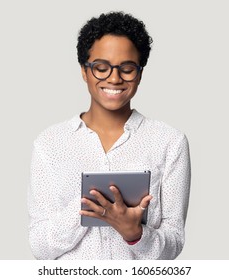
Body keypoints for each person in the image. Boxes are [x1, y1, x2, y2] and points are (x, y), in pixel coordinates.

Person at [28, 11, 191, 260]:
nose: (114, 79)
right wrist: (88, 207)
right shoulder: (50, 143)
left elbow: (174, 243)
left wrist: (134, 233)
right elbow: (40, 246)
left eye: (126, 69)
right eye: (101, 68)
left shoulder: (169, 142)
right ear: (84, 71)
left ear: (139, 74)